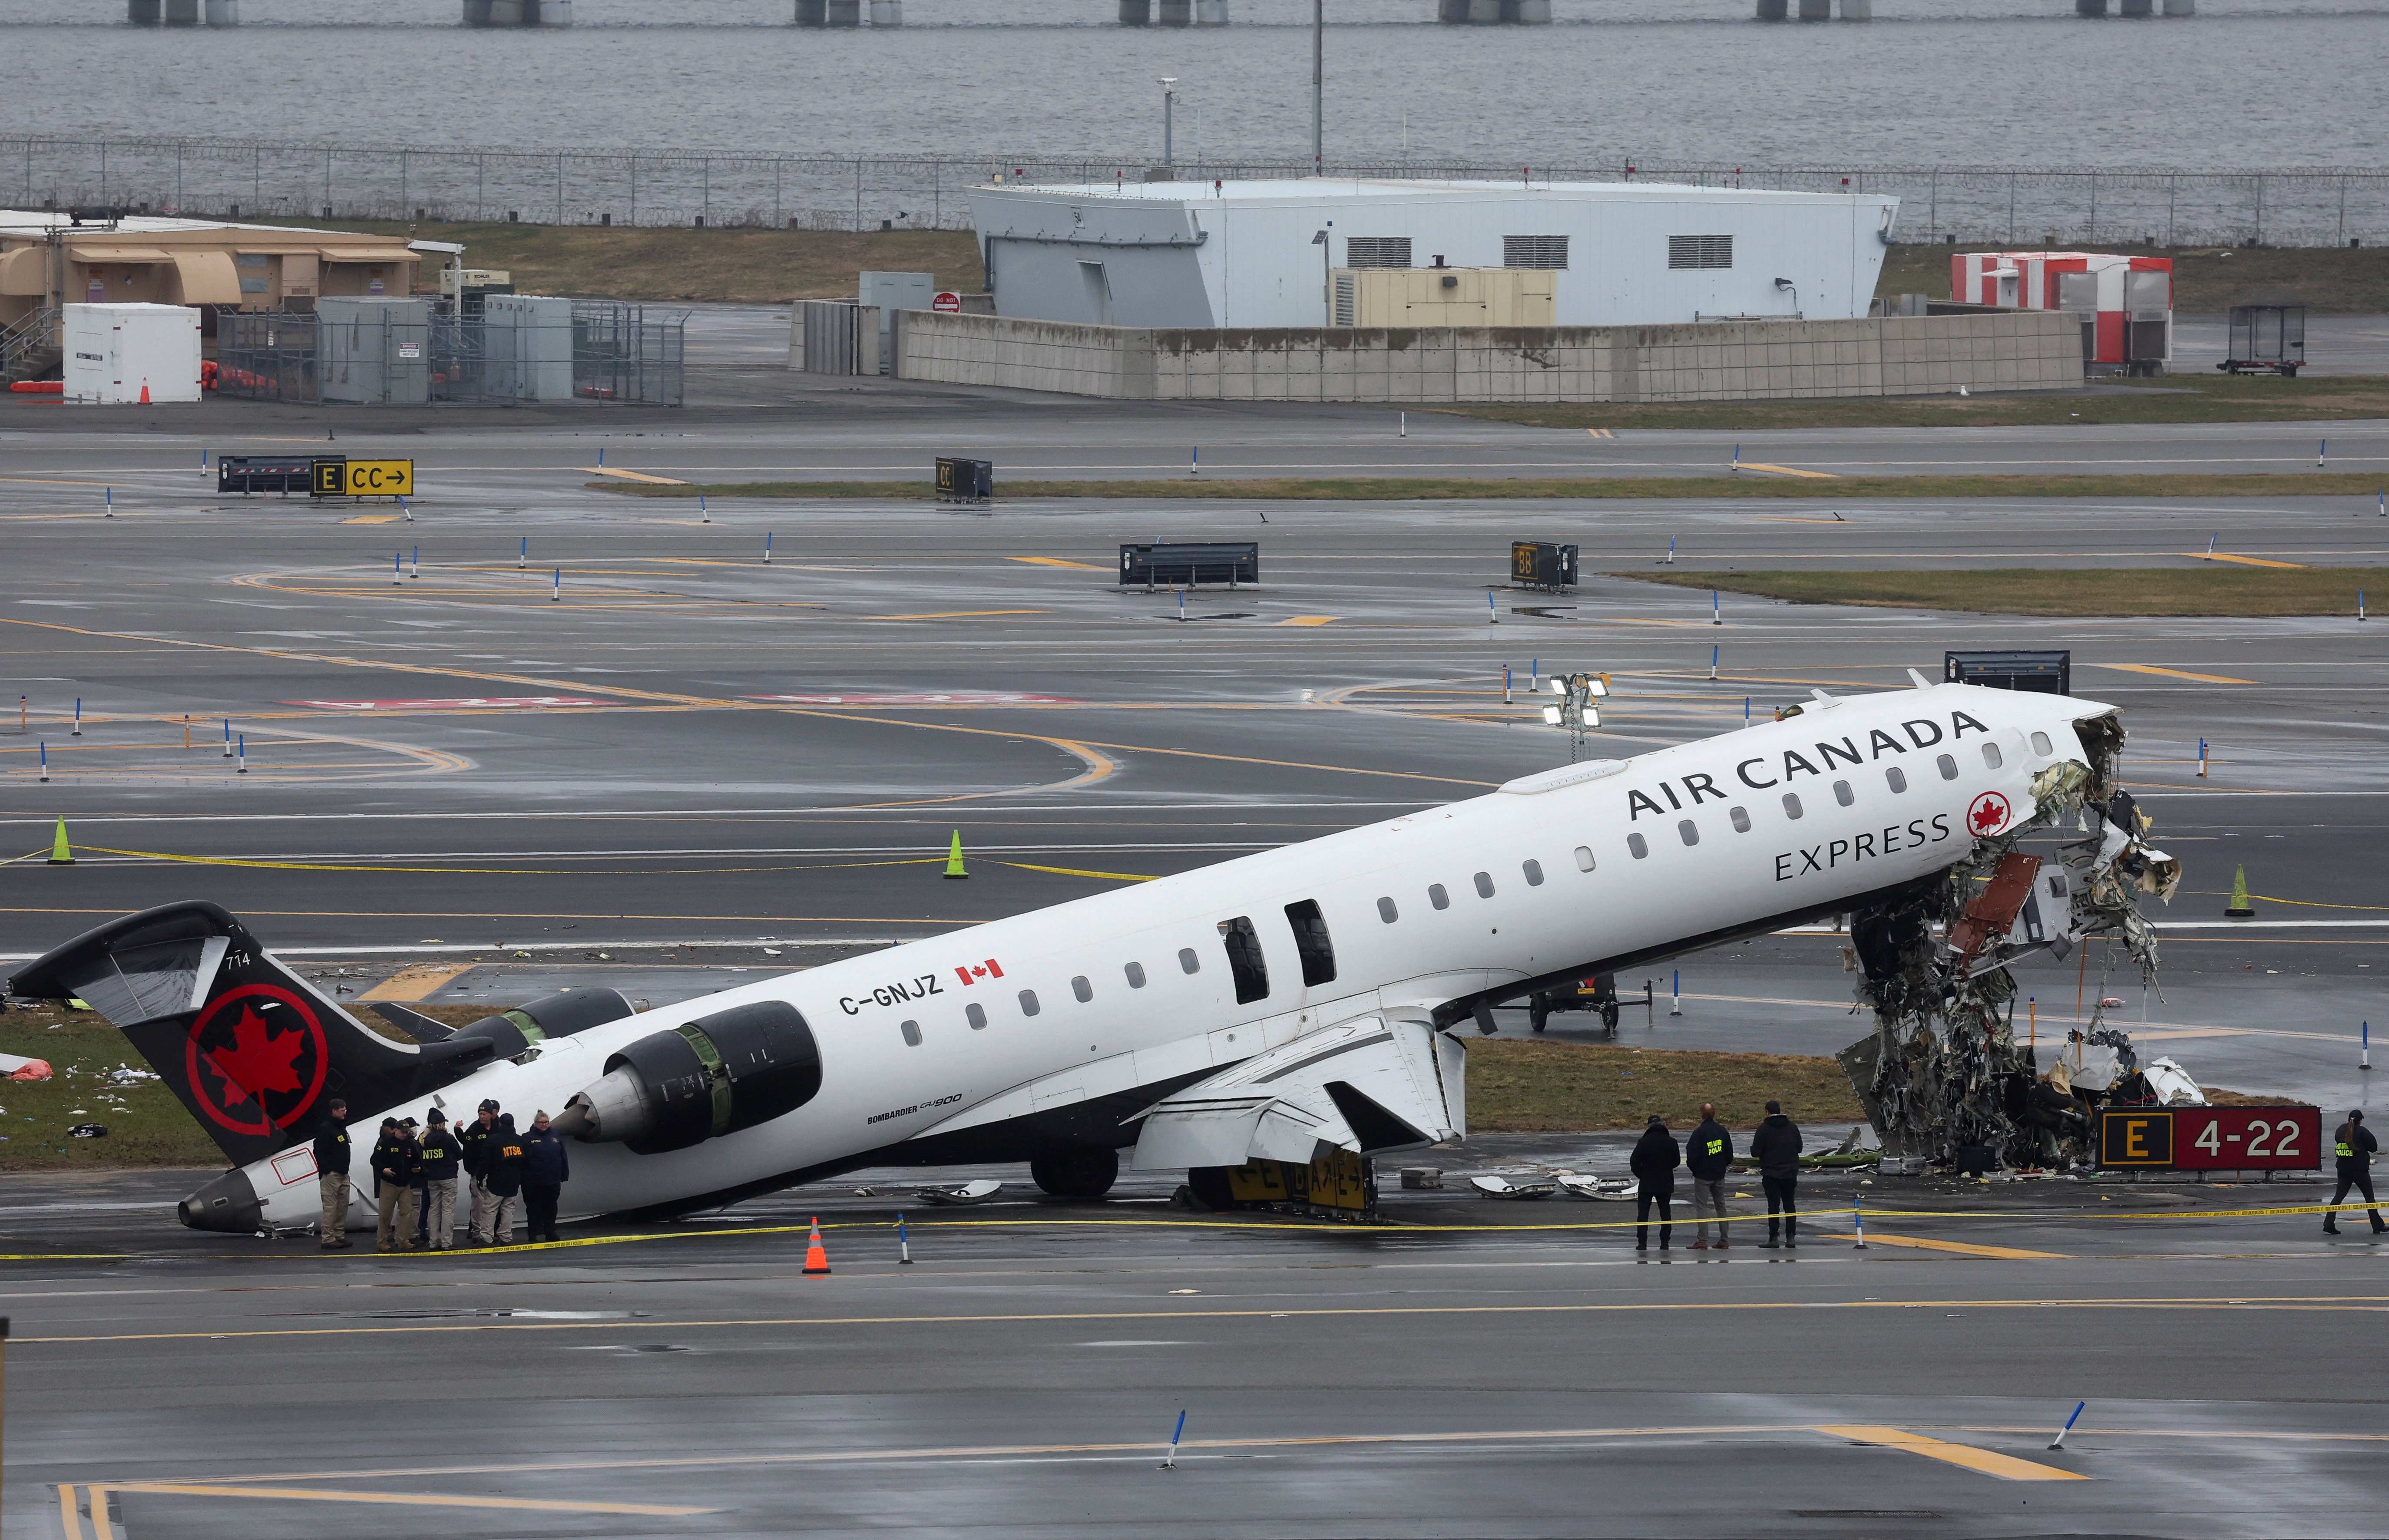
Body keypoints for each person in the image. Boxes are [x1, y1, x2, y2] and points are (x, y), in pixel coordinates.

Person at [1750, 1099, 1804, 1249]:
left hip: (1771, 1173)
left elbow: (1756, 1152)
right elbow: (1799, 1148)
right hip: (1790, 1172)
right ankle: (1791, 1237)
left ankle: (1774, 1238)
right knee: (1789, 1205)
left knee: (1773, 1206)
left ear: (1767, 1112)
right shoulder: (1792, 1127)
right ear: (1780, 1111)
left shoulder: (1764, 1129)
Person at [1684, 1101, 1734, 1252]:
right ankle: (1724, 1240)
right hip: (1719, 1175)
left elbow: (1692, 1156)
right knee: (1721, 1207)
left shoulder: (1699, 1133)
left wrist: (1696, 1170)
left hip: (1703, 1176)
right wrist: (1722, 1167)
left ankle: (1702, 1240)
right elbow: (1729, 1155)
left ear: (1701, 1115)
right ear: (1715, 1113)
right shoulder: (1722, 1131)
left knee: (1702, 1207)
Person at [2325, 1109, 2383, 1236]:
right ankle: (2377, 1226)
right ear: (2360, 1121)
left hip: (2343, 1169)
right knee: (2369, 1198)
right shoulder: (2362, 1131)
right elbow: (2374, 1147)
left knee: (2339, 1196)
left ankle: (2328, 1223)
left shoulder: (2341, 1130)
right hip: (2359, 1170)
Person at [1628, 1113, 1679, 1253]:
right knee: (1665, 1212)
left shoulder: (1643, 1142)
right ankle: (1664, 1243)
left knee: (1643, 1214)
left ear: (1649, 1127)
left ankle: (1643, 1243)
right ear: (1662, 1125)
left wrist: (1642, 1174)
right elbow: (1677, 1162)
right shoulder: (1672, 1142)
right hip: (1665, 1183)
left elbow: (1634, 1162)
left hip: (1647, 1183)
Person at [371, 1117, 423, 1252]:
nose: (405, 1135)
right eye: (402, 1132)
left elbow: (418, 1159)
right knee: (385, 1214)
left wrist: (417, 1167)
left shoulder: (410, 1144)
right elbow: (374, 1159)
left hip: (405, 1183)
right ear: (395, 1130)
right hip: (389, 1183)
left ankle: (403, 1239)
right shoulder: (386, 1143)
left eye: (407, 1132)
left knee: (407, 1212)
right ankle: (382, 1240)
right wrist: (384, 1170)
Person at [521, 1110, 571, 1244]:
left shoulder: (555, 1136)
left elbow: (563, 1156)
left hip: (553, 1179)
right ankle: (534, 1233)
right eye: (542, 1123)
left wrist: (564, 1174)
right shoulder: (527, 1138)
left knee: (551, 1207)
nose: (544, 1125)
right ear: (536, 1123)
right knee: (534, 1208)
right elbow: (523, 1160)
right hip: (535, 1181)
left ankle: (551, 1232)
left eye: (547, 1122)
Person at [418, 1108, 463, 1250]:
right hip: (448, 1176)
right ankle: (446, 1242)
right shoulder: (448, 1138)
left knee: (434, 1210)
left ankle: (433, 1242)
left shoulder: (424, 1141)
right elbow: (459, 1154)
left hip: (432, 1178)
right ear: (442, 1124)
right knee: (448, 1211)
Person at [311, 1098, 353, 1251]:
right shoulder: (326, 1128)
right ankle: (328, 1238)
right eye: (342, 1110)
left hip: (343, 1172)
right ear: (334, 1111)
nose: (345, 1112)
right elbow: (319, 1150)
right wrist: (327, 1169)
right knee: (331, 1207)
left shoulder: (340, 1128)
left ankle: (339, 1235)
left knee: (343, 1206)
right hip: (332, 1174)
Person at [460, 1099, 500, 1246]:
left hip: (494, 1172)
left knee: (491, 1206)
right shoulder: (474, 1130)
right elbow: (468, 1152)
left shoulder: (497, 1127)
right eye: (480, 1114)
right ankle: (477, 1233)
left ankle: (488, 1233)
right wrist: (474, 1172)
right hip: (478, 1173)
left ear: (491, 1114)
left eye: (484, 1114)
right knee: (478, 1205)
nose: (482, 1117)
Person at [483, 1113, 527, 1245]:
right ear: (513, 1124)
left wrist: (481, 1177)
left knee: (490, 1209)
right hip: (513, 1182)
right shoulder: (521, 1141)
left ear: (500, 1124)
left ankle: (487, 1236)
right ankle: (506, 1236)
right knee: (508, 1210)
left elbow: (485, 1161)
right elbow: (527, 1162)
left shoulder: (493, 1140)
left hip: (496, 1181)